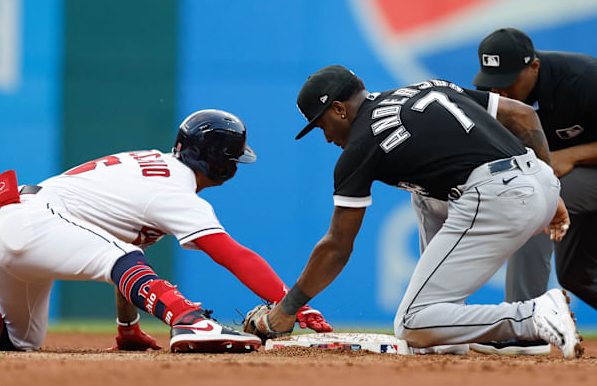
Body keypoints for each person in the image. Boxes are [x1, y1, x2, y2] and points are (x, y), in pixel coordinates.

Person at [0, 109, 331, 353]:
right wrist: (294, 304)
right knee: (124, 262)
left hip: (3, 227)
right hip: (34, 223)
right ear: (221, 162)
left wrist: (127, 328)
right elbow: (232, 254)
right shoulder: (176, 191)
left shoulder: (154, 168)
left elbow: (119, 244)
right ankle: (188, 320)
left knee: (22, 339)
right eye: (234, 158)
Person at [247, 65, 583, 359]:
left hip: (498, 194)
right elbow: (523, 114)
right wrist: (549, 191)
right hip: (536, 177)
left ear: (339, 109)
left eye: (321, 126)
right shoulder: (426, 87)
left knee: (411, 321)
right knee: (422, 194)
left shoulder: (361, 145)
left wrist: (287, 309)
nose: (326, 138)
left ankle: (533, 315)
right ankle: (448, 335)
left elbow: (337, 247)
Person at [415, 27, 597, 356]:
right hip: (566, 181)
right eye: (492, 80)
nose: (500, 88)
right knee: (576, 275)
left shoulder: (584, 79)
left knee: (531, 204)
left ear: (535, 67)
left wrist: (574, 154)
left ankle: (527, 329)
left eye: (510, 79)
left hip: (585, 173)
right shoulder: (496, 96)